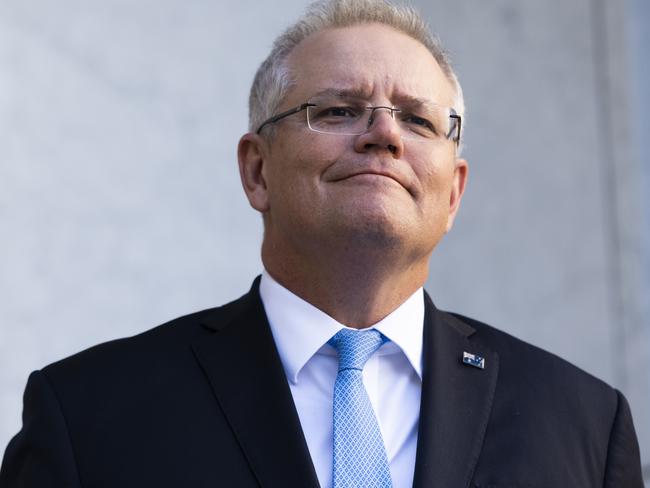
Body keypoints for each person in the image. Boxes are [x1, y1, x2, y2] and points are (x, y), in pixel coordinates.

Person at [0, 0, 644, 486]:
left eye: (418, 120)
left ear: (453, 194)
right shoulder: (88, 414)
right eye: (338, 110)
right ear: (257, 170)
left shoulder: (584, 423)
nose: (384, 136)